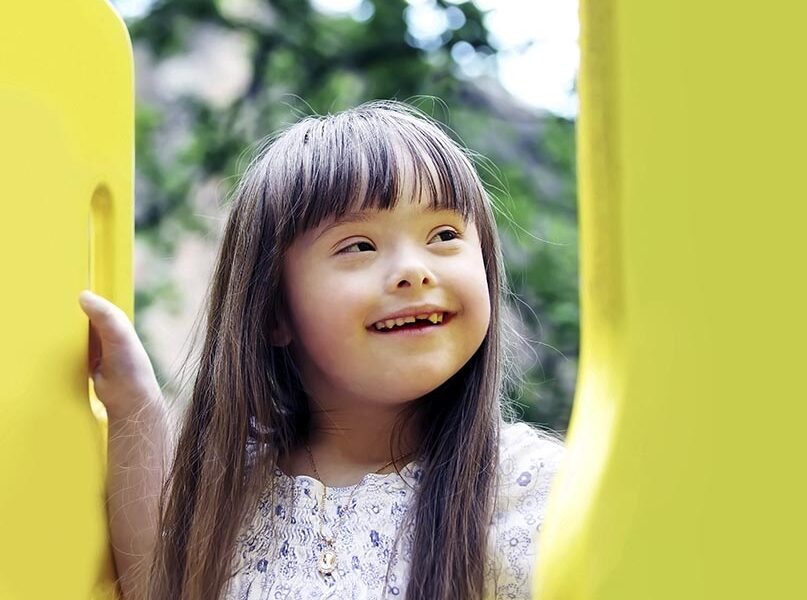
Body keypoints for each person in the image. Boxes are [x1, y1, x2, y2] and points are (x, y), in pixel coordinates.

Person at [78, 100, 566, 600]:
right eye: (358, 246)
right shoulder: (234, 493)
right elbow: (158, 587)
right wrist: (134, 402)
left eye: (443, 235)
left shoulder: (531, 488)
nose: (414, 270)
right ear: (274, 311)